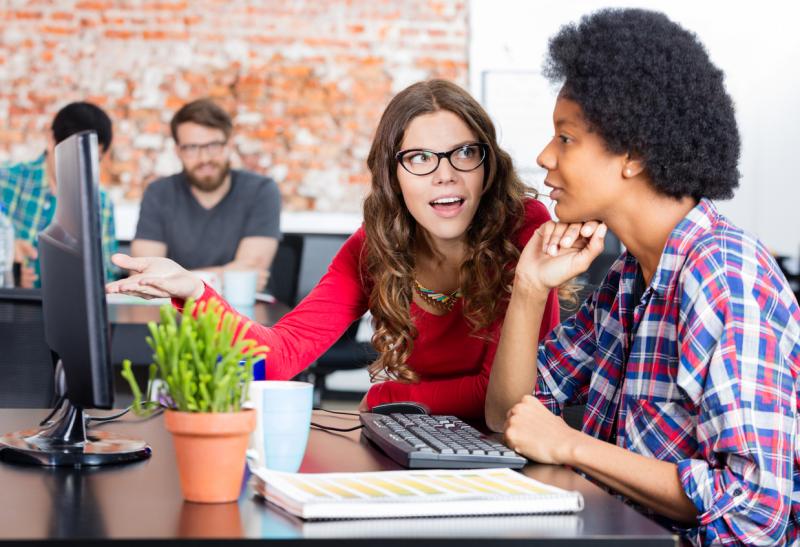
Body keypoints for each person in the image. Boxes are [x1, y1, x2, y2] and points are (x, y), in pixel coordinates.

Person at [484, 8, 800, 545]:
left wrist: (569, 445)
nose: (543, 157)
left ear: (631, 153)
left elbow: (754, 509)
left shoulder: (725, 276)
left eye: (565, 138)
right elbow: (510, 417)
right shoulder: (628, 278)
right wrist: (531, 286)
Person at [107, 79, 561, 419]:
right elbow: (282, 354)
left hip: (509, 447)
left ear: (487, 164)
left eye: (464, 152)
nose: (445, 174)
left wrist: (389, 396)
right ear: (392, 175)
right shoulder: (374, 245)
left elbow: (508, 396)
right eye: (419, 158)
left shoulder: (524, 230)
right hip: (419, 438)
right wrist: (194, 291)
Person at [132, 98, 281, 291]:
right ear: (178, 151)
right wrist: (225, 275)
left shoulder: (261, 190)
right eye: (192, 148)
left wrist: (172, 282)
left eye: (213, 146)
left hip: (241, 314)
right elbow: (141, 276)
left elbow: (251, 274)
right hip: (174, 313)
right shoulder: (158, 193)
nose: (204, 159)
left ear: (229, 145)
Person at [0, 102, 119, 287]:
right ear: (51, 139)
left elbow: (107, 278)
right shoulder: (7, 181)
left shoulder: (101, 202)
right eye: (74, 156)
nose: (81, 169)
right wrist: (9, 261)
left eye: (93, 161)